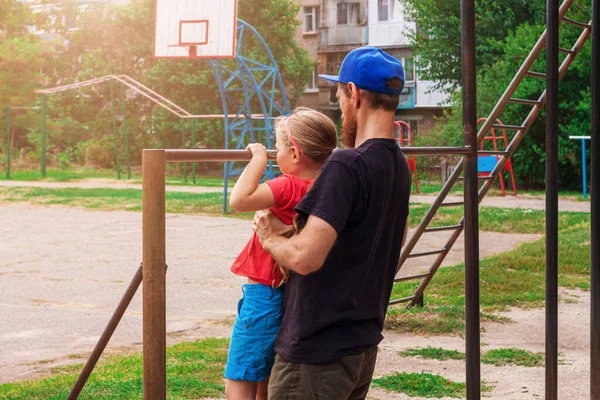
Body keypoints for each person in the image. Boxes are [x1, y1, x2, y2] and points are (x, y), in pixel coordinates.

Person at [252, 46, 411, 399]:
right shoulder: (399, 165)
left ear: (353, 94)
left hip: (316, 357)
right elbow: (396, 238)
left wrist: (269, 238)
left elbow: (306, 258)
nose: (339, 105)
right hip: (361, 348)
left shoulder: (346, 165)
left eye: (339, 94)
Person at [224, 107, 338, 400]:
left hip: (263, 294)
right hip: (290, 293)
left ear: (296, 154)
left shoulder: (289, 185)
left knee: (240, 375)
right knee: (264, 378)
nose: (276, 153)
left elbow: (238, 200)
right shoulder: (325, 187)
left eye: (278, 147)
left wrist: (259, 160)